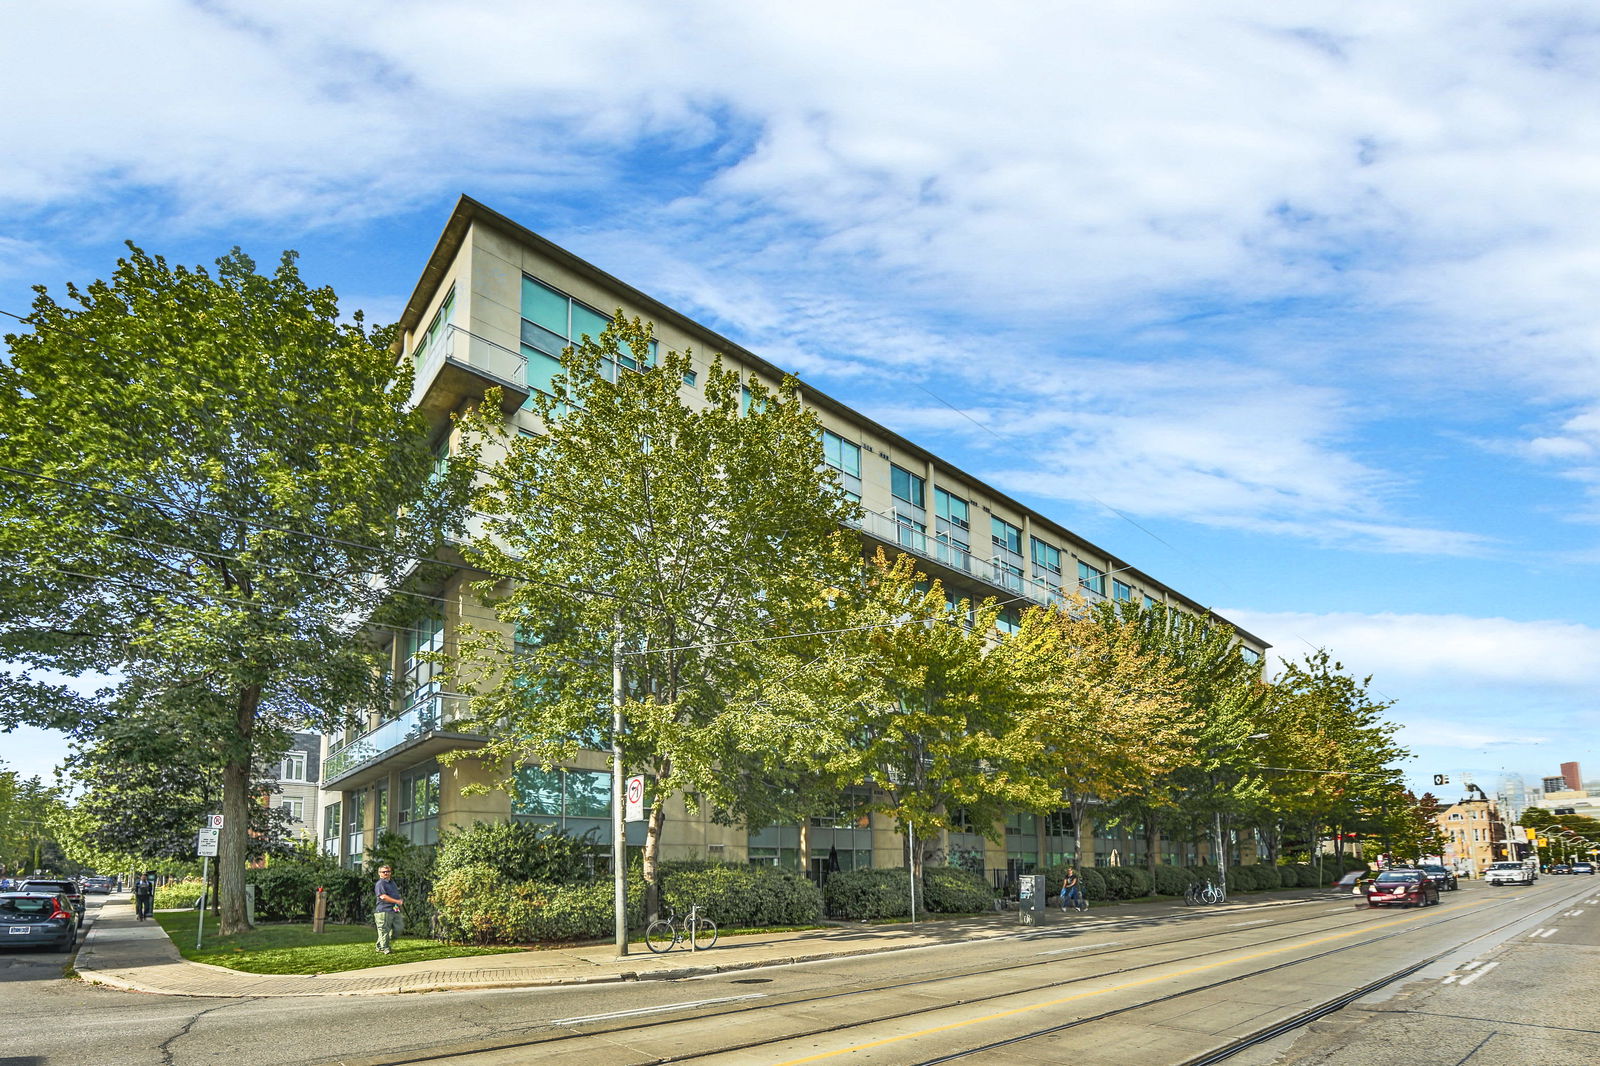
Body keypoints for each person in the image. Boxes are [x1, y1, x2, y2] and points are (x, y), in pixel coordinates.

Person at [374, 864, 403, 955]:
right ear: (380, 873)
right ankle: (385, 948)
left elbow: (395, 895)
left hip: (393, 909)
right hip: (383, 910)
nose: (386, 873)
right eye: (384, 872)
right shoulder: (380, 883)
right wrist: (397, 901)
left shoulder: (392, 883)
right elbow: (383, 896)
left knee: (397, 928)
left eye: (388, 871)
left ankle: (380, 946)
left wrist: (397, 907)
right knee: (384, 930)